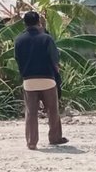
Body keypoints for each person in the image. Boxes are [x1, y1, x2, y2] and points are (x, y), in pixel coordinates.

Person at [13, 11, 67, 149]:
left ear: (24, 23)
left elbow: (17, 59)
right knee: (52, 110)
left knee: (31, 113)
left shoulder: (19, 40)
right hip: (47, 79)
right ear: (39, 22)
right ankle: (55, 138)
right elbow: (55, 60)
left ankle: (31, 142)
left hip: (29, 81)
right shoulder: (46, 38)